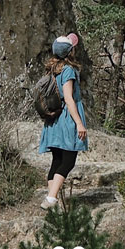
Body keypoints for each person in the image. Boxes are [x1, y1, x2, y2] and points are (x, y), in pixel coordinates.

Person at [38, 32, 88, 209]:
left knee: (57, 161)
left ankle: (51, 200)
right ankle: (51, 199)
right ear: (69, 52)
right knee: (68, 161)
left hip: (54, 120)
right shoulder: (68, 70)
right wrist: (79, 123)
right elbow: (68, 98)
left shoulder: (52, 68)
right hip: (66, 119)